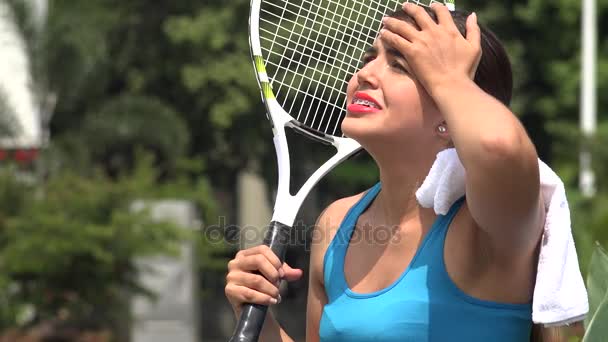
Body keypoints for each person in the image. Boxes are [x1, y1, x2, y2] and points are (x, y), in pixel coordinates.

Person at [225, 3, 546, 341]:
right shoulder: (336, 223)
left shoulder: (489, 222)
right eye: (369, 59)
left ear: (451, 115)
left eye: (399, 65)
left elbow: (500, 145)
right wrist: (260, 321)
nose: (364, 74)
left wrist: (450, 78)